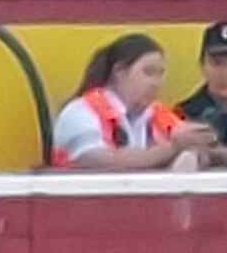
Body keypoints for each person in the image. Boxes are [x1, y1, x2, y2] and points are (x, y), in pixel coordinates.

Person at [49, 30, 211, 173]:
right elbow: (102, 161)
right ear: (119, 72)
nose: (156, 83)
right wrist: (174, 148)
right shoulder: (80, 111)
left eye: (159, 74)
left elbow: (200, 147)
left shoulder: (158, 114)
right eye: (148, 72)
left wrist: (192, 150)